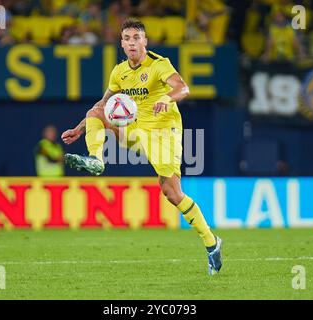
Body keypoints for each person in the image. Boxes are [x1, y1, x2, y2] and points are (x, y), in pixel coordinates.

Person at [61, 18, 223, 275]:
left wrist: (167, 99)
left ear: (145, 41)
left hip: (164, 134)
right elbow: (103, 105)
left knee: (171, 192)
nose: (132, 42)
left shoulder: (159, 65)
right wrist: (79, 129)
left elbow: (183, 88)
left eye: (137, 37)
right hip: (137, 130)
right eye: (127, 38)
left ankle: (211, 242)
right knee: (96, 111)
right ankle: (96, 158)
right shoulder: (119, 72)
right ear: (122, 44)